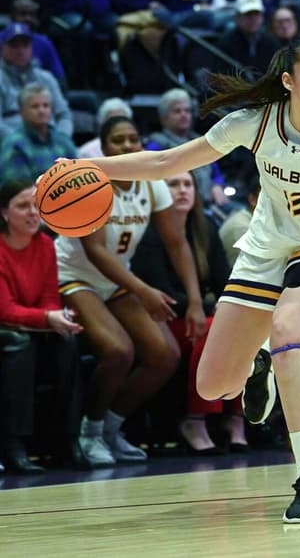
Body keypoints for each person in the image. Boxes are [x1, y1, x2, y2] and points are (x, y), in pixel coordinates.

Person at [83, 36, 300, 522]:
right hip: (265, 249)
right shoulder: (256, 122)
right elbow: (168, 162)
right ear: (289, 81)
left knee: (288, 331)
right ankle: (259, 367)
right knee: (213, 386)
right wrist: (90, 168)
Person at [56, 116, 206, 467]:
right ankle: (87, 434)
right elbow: (95, 250)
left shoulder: (151, 183)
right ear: (104, 149)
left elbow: (177, 241)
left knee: (165, 355)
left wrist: (196, 300)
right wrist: (144, 290)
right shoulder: (91, 185)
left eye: (133, 140)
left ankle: (110, 429)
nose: (127, 147)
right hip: (76, 275)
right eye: (118, 141)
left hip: (117, 279)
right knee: (118, 350)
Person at [132, 172, 242, 454]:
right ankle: (195, 419)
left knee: (244, 329)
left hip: (200, 316)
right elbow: (164, 295)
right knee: (215, 329)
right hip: (166, 320)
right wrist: (213, 309)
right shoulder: (148, 232)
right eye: (173, 184)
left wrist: (233, 306)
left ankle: (236, 417)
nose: (181, 190)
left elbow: (225, 282)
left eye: (187, 184)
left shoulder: (205, 227)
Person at [0, 179, 83, 473]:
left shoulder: (45, 244)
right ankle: (14, 444)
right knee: (18, 345)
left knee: (67, 341)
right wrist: (47, 318)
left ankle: (67, 440)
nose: (33, 213)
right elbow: (5, 309)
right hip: (6, 327)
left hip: (31, 322)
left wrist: (57, 318)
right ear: (4, 213)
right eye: (23, 206)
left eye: (36, 206)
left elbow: (49, 297)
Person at [0, 83, 77, 187]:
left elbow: (78, 175)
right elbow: (18, 188)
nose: (41, 110)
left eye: (46, 105)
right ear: (22, 112)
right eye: (35, 106)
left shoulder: (63, 141)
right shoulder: (14, 144)